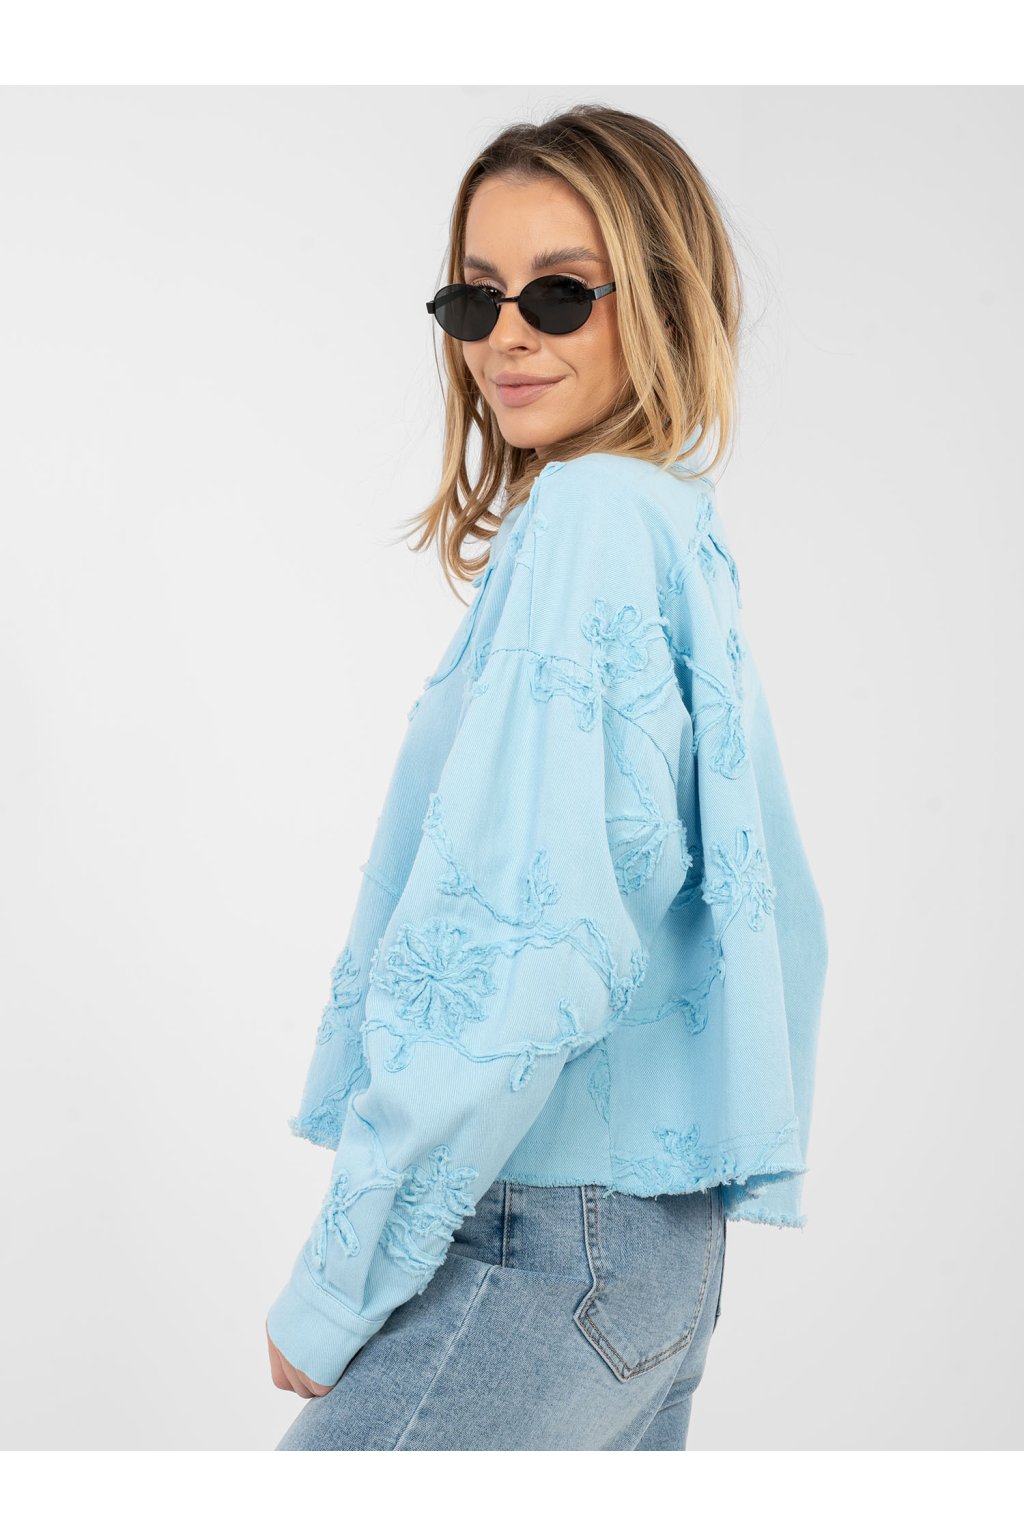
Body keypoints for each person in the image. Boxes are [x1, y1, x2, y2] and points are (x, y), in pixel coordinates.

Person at [265, 102, 828, 1452]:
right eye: (476, 297)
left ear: (666, 302)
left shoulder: (589, 520)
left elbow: (528, 935)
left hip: (534, 1240)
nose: (507, 337)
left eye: (562, 293)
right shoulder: (669, 525)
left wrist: (343, 1274)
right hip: (651, 1255)